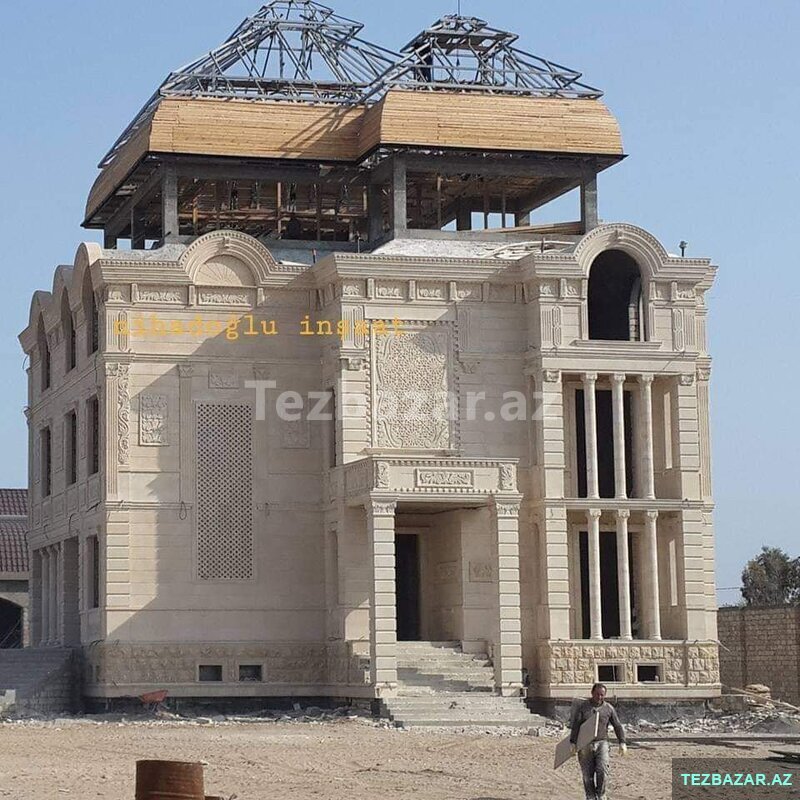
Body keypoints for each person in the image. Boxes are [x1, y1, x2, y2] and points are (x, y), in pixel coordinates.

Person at [569, 682, 627, 800]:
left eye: (602, 695)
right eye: (597, 694)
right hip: (585, 744)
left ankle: (601, 795)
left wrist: (622, 742)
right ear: (592, 693)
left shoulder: (608, 708)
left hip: (602, 743)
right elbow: (576, 725)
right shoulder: (583, 707)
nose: (599, 697)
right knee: (587, 774)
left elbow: (617, 725)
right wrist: (573, 742)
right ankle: (590, 796)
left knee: (602, 771)